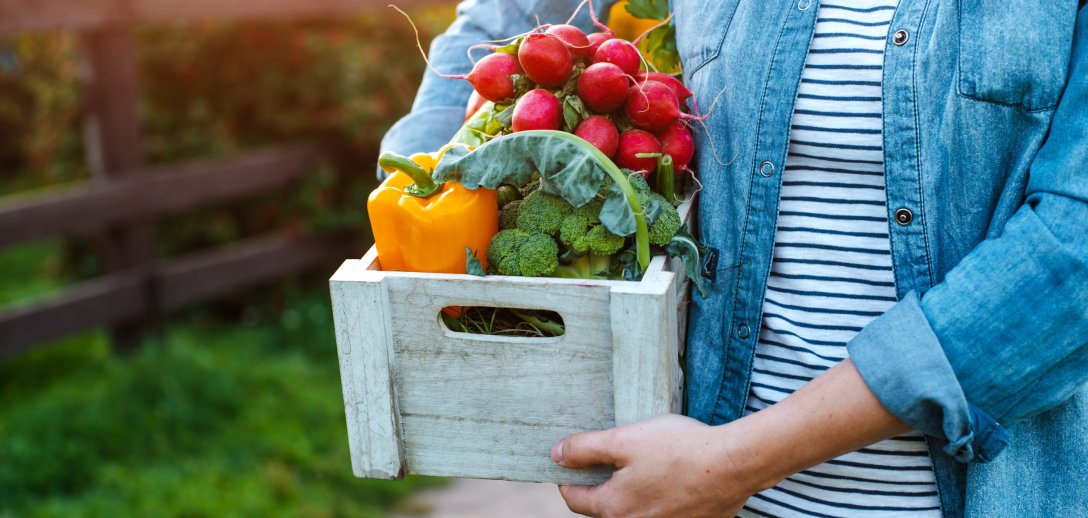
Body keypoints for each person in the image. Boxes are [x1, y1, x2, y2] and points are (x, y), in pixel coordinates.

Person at [379, 0, 1088, 516]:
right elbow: (505, 20)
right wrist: (415, 199)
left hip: (996, 494)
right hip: (702, 498)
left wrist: (737, 461)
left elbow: (1071, 249)